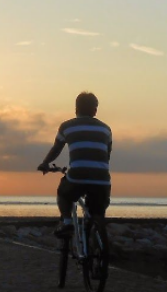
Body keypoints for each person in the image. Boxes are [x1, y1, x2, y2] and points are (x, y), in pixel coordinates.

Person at [38, 92, 112, 238]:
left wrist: (45, 163)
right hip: (102, 178)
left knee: (63, 193)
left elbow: (56, 149)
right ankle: (99, 243)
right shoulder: (106, 129)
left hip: (78, 175)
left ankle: (67, 222)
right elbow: (107, 154)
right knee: (97, 212)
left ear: (76, 108)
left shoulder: (67, 126)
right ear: (95, 110)